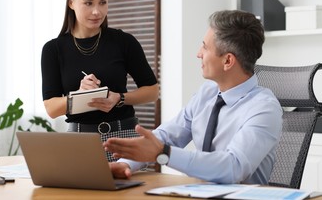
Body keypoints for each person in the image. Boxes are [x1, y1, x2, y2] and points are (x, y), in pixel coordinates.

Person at [103, 10, 283, 184]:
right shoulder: (208, 93)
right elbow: (168, 136)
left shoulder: (264, 108)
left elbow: (233, 167)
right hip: (198, 192)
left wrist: (164, 153)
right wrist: (125, 164)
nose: (199, 53)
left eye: (205, 47)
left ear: (228, 61)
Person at [41, 0, 159, 162]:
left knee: (129, 192)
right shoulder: (53, 49)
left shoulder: (124, 42)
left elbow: (152, 91)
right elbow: (52, 108)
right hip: (80, 141)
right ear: (71, 3)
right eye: (88, 3)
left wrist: (119, 98)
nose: (97, 11)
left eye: (103, 2)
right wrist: (79, 95)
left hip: (124, 137)